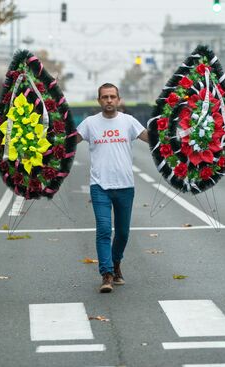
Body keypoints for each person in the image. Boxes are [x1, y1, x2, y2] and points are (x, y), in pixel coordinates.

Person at [76, 83, 148, 293]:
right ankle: (106, 274)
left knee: (123, 233)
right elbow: (70, 142)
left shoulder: (128, 122)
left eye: (112, 97)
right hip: (100, 186)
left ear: (118, 99)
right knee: (104, 230)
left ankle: (116, 263)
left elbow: (150, 138)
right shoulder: (90, 123)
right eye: (105, 97)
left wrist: (174, 136)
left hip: (125, 186)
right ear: (99, 100)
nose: (109, 100)